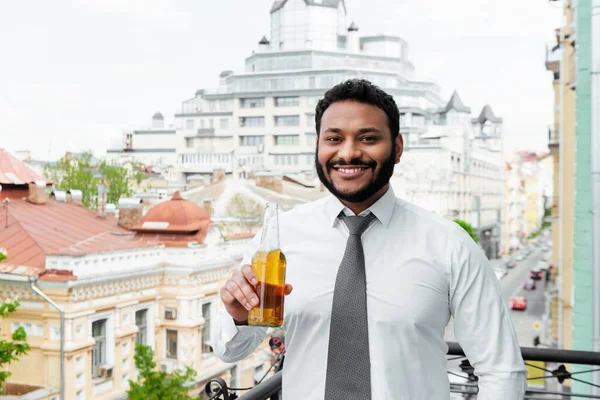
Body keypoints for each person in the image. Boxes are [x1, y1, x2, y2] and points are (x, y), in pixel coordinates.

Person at [213, 79, 527, 399]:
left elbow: (501, 369)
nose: (348, 153)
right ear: (318, 146)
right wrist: (239, 316)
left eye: (368, 138)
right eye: (334, 138)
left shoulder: (450, 244)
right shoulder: (277, 238)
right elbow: (229, 351)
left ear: (398, 147)